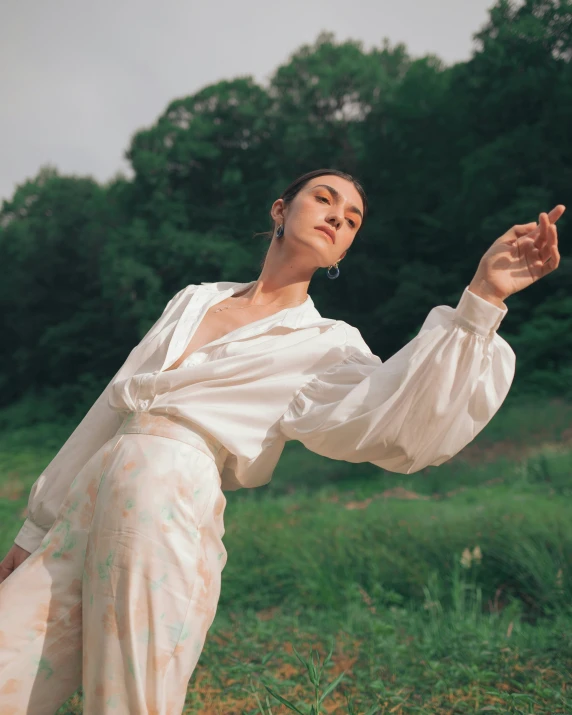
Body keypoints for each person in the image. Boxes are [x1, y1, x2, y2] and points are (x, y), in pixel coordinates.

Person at [0, 167, 564, 714]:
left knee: (130, 692)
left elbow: (393, 411)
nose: (337, 218)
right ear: (281, 208)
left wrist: (483, 298)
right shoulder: (194, 298)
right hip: (91, 495)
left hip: (168, 500)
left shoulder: (325, 343)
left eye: (351, 220)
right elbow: (108, 408)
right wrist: (36, 527)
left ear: (343, 252)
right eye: (324, 199)